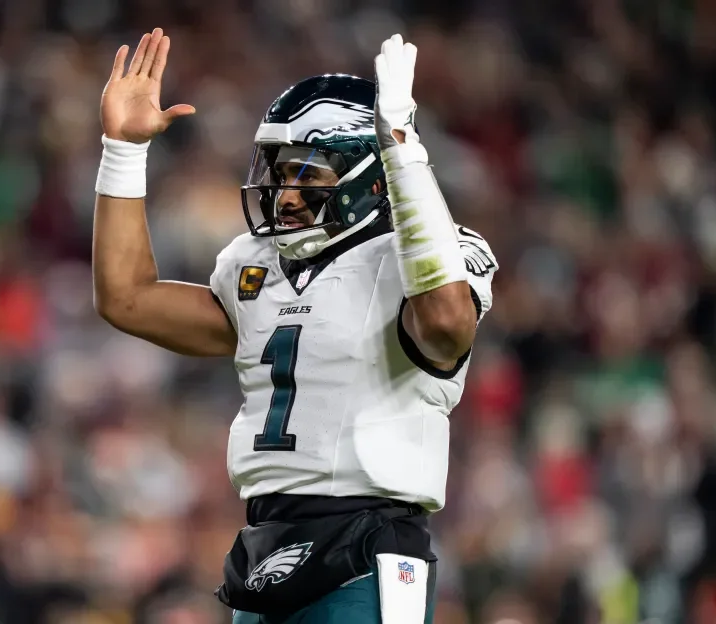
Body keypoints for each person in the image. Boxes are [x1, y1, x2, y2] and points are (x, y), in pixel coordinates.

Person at [92, 28, 497, 623]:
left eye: (309, 175)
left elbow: (443, 325)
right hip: (265, 545)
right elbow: (126, 299)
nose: (284, 195)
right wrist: (123, 152)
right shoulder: (254, 265)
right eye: (283, 174)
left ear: (371, 176)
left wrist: (403, 150)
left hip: (369, 544)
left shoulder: (430, 258)